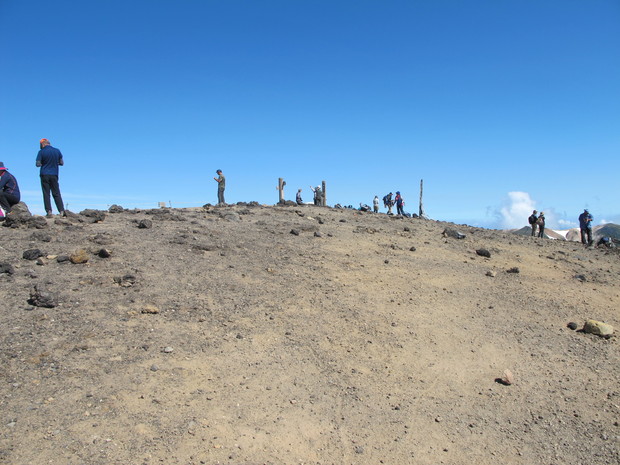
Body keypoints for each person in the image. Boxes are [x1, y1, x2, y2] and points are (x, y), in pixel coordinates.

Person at [36, 138, 66, 217]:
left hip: (44, 174)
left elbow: (38, 164)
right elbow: (61, 163)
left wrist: (44, 163)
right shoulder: (57, 151)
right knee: (56, 193)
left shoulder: (41, 152)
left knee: (46, 193)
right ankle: (61, 211)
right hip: (54, 174)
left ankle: (49, 211)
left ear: (42, 144)